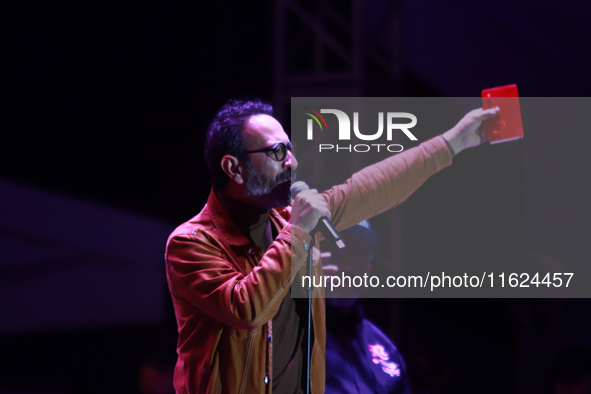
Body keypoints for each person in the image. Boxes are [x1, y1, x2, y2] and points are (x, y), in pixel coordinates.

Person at [164, 98, 498, 393]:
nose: (292, 162)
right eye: (277, 152)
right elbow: (246, 309)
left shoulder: (287, 221)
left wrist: (452, 143)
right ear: (233, 167)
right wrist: (297, 233)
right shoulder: (192, 243)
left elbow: (370, 188)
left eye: (290, 149)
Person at [323, 221, 411, 394]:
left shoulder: (387, 350)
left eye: (356, 259)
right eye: (337, 255)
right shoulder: (292, 332)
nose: (346, 268)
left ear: (368, 270)